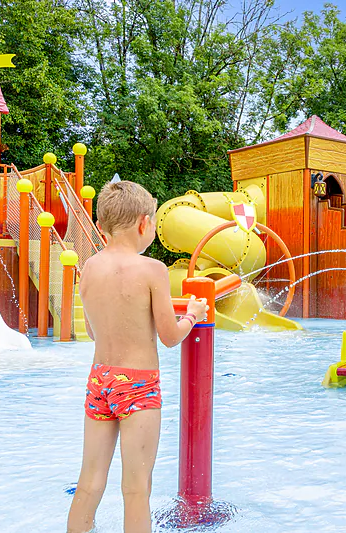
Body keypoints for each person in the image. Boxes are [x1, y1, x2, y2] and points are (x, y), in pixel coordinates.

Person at [67, 181, 210, 533]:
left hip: (100, 380)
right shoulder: (153, 270)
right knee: (136, 488)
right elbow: (169, 336)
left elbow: (93, 331)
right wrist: (191, 314)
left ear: (102, 226)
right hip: (138, 387)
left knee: (89, 482)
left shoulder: (89, 268)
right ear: (145, 224)